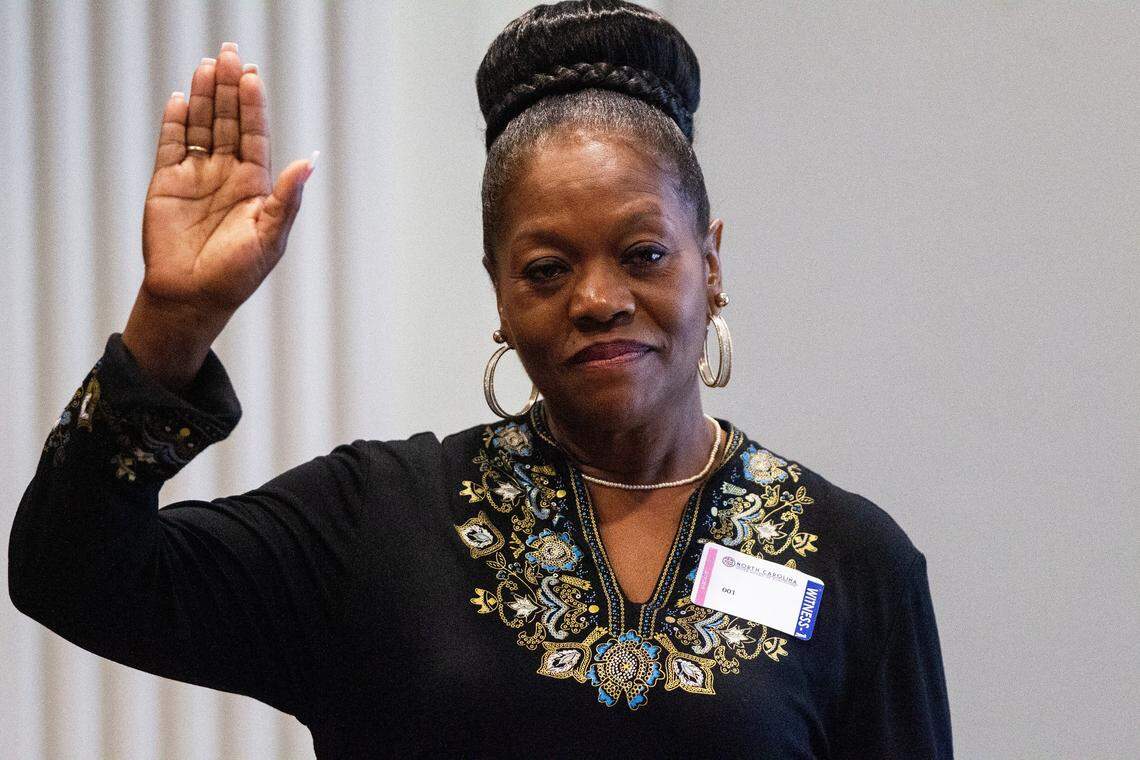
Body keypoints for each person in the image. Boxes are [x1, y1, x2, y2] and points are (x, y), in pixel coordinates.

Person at [9, 1, 953, 757]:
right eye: (546, 269)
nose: (597, 298)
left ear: (710, 264)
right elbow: (69, 573)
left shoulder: (854, 565)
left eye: (643, 253)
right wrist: (176, 319)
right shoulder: (376, 525)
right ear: (499, 294)